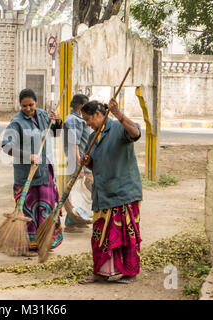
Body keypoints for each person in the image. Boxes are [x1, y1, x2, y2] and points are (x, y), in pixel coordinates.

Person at [78, 98, 142, 284]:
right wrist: (87, 162)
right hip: (103, 194)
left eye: (88, 119)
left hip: (124, 193)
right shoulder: (92, 138)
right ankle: (101, 272)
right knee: (100, 235)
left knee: (127, 236)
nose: (87, 124)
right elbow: (95, 164)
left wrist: (119, 115)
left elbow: (136, 133)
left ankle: (130, 273)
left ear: (98, 114)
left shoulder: (119, 127)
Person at [1, 88, 63, 257]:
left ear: (36, 102)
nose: (28, 109)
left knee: (46, 207)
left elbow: (56, 133)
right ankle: (29, 246)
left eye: (31, 105)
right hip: (26, 175)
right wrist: (29, 156)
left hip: (45, 171)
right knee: (28, 211)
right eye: (24, 106)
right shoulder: (16, 122)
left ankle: (45, 241)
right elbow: (6, 146)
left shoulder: (44, 115)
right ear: (20, 105)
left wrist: (58, 121)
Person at [63, 94, 94, 233]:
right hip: (77, 162)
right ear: (81, 106)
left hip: (82, 161)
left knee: (83, 191)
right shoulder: (74, 121)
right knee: (75, 192)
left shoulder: (78, 119)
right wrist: (79, 166)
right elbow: (73, 144)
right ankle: (71, 222)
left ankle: (80, 219)